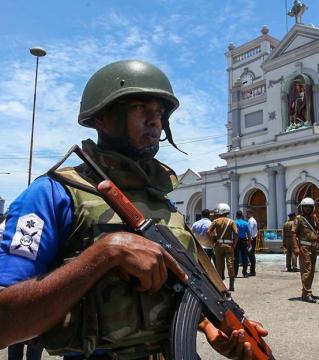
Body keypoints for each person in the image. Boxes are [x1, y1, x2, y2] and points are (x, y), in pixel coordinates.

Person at [0, 60, 267, 359]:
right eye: (141, 108)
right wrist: (106, 253)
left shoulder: (162, 202)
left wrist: (207, 324)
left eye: (160, 113)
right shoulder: (52, 194)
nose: (156, 121)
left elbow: (169, 288)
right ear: (102, 116)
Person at [292, 197, 319, 303]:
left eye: (309, 207)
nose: (307, 209)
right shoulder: (299, 218)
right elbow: (293, 233)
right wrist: (296, 247)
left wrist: (316, 220)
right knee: (306, 270)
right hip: (304, 247)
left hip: (313, 247)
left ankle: (307, 291)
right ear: (302, 207)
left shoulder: (312, 218)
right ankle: (306, 293)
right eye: (305, 207)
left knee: (312, 270)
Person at [208, 203, 238, 292]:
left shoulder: (216, 221)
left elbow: (208, 231)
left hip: (219, 246)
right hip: (229, 246)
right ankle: (231, 285)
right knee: (230, 264)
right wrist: (234, 244)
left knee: (219, 265)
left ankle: (219, 285)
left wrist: (213, 240)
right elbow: (236, 233)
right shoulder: (232, 222)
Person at [234, 210, 251, 278]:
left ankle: (235, 273)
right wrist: (249, 243)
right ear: (241, 215)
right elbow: (249, 234)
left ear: (236, 215)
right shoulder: (245, 223)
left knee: (235, 257)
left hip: (236, 241)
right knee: (244, 257)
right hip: (244, 241)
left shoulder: (234, 223)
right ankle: (244, 273)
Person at [246, 209, 258, 276]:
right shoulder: (251, 220)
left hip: (251, 239)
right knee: (251, 255)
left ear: (250, 213)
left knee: (251, 255)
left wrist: (249, 241)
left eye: (247, 213)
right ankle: (252, 270)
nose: (246, 215)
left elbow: (249, 231)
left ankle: (252, 271)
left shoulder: (251, 221)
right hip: (252, 239)